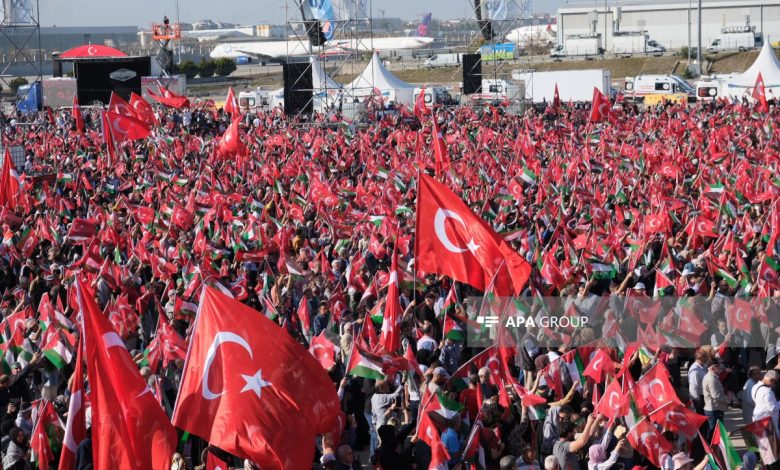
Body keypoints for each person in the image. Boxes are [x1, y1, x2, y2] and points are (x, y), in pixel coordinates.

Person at [702, 361, 728, 438]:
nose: (720, 368)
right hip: (714, 410)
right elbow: (716, 395)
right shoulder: (711, 379)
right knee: (714, 434)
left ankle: (715, 449)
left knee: (716, 433)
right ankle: (712, 449)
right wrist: (727, 399)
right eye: (718, 367)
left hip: (714, 409)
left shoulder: (713, 377)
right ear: (713, 368)